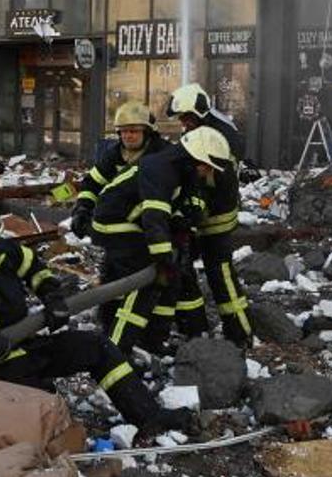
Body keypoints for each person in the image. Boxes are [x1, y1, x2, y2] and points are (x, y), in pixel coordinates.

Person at [0, 197, 192, 434]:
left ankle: (148, 417)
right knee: (45, 403)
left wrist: (52, 296)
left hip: (26, 342)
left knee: (98, 347)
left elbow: (33, 267)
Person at [89, 127, 231, 352]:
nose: (206, 174)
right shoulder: (161, 169)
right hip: (114, 223)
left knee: (167, 283)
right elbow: (154, 216)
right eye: (207, 167)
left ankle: (152, 342)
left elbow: (179, 206)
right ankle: (116, 352)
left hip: (133, 222)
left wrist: (184, 222)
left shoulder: (179, 169)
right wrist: (163, 257)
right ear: (196, 160)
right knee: (145, 282)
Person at [165, 84, 256, 347]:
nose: (184, 124)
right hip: (214, 213)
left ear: (199, 111)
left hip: (215, 217)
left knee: (221, 275)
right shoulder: (216, 124)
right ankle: (202, 329)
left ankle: (240, 333)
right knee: (194, 271)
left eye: (186, 118)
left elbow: (206, 180)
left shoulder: (217, 135)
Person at [70, 101, 167, 239]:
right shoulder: (114, 155)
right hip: (119, 230)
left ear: (147, 132)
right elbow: (91, 183)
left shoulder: (162, 154)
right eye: (123, 131)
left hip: (155, 225)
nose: (128, 136)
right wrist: (82, 209)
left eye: (133, 131)